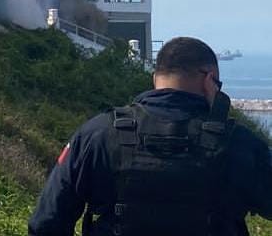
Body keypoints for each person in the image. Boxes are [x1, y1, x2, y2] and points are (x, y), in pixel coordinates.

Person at [29, 36, 272, 236]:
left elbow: (46, 223)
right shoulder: (240, 144)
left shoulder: (97, 134)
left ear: (155, 79)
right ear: (210, 80)